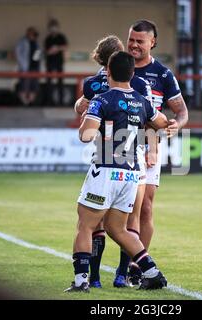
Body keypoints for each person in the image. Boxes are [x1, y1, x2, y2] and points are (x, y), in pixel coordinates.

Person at [64, 51, 169, 292]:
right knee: (117, 229)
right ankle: (152, 273)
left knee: (86, 226)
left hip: (105, 170)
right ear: (132, 74)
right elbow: (161, 121)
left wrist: (88, 120)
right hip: (131, 175)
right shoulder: (142, 101)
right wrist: (168, 125)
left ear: (107, 72)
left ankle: (81, 281)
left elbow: (86, 135)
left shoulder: (102, 99)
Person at [114, 19, 189, 286]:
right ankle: (120, 269)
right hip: (118, 147)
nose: (133, 45)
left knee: (144, 208)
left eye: (139, 41)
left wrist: (175, 126)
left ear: (152, 42)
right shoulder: (117, 67)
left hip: (148, 148)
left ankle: (135, 267)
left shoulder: (163, 75)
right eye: (131, 39)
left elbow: (181, 111)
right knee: (113, 210)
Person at [15, 27, 41, 106]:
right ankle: (24, 102)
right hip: (25, 68)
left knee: (34, 85)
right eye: (32, 33)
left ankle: (31, 102)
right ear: (28, 33)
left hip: (35, 67)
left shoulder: (36, 43)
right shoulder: (22, 41)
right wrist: (22, 63)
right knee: (24, 85)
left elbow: (38, 54)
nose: (33, 35)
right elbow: (17, 53)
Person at [44, 19, 68, 106]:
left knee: (60, 82)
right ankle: (48, 102)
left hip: (59, 62)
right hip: (50, 62)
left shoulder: (61, 37)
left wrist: (57, 48)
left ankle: (61, 102)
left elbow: (65, 47)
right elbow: (46, 51)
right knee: (49, 82)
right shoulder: (48, 38)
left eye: (54, 27)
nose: (53, 29)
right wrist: (51, 51)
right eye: (51, 27)